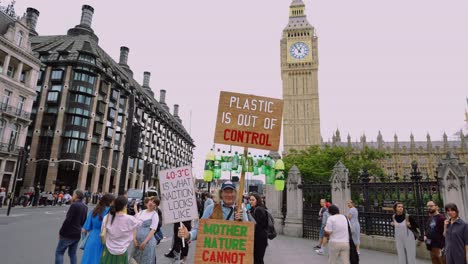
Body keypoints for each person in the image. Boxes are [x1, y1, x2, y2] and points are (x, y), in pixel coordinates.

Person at [178, 181, 248, 241]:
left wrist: (242, 221)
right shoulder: (211, 208)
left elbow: (248, 235)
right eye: (226, 192)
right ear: (221, 194)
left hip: (233, 254)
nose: (229, 195)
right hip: (214, 254)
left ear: (235, 194)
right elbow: (199, 229)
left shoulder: (241, 211)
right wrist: (188, 235)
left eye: (231, 192)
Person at [100, 195, 142, 264]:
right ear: (125, 206)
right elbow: (140, 223)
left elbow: (103, 229)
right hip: (121, 251)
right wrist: (136, 211)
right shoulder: (129, 219)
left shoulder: (107, 217)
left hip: (108, 249)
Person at [55, 189, 88, 264]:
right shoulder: (85, 207)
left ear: (76, 195)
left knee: (59, 252)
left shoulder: (74, 205)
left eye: (73, 194)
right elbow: (84, 221)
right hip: (77, 233)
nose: (72, 196)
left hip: (68, 233)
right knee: (72, 254)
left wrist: (61, 232)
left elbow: (68, 220)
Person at [81, 193, 114, 264]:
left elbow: (84, 230)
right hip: (105, 239)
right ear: (111, 202)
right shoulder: (111, 213)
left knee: (88, 260)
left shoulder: (94, 211)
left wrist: (84, 240)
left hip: (92, 238)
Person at [132, 196, 159, 264]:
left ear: (155, 206)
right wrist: (134, 239)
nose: (151, 203)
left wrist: (144, 242)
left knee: (145, 261)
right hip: (137, 242)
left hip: (147, 243)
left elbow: (153, 230)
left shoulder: (155, 215)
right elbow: (136, 226)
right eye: (151, 201)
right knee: (135, 260)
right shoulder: (141, 212)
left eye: (154, 202)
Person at [248, 192, 269, 264]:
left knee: (258, 259)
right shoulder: (255, 209)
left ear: (257, 200)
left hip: (259, 239)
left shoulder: (259, 210)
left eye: (252, 200)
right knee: (257, 259)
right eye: (250, 200)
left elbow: (258, 225)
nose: (250, 201)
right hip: (259, 238)